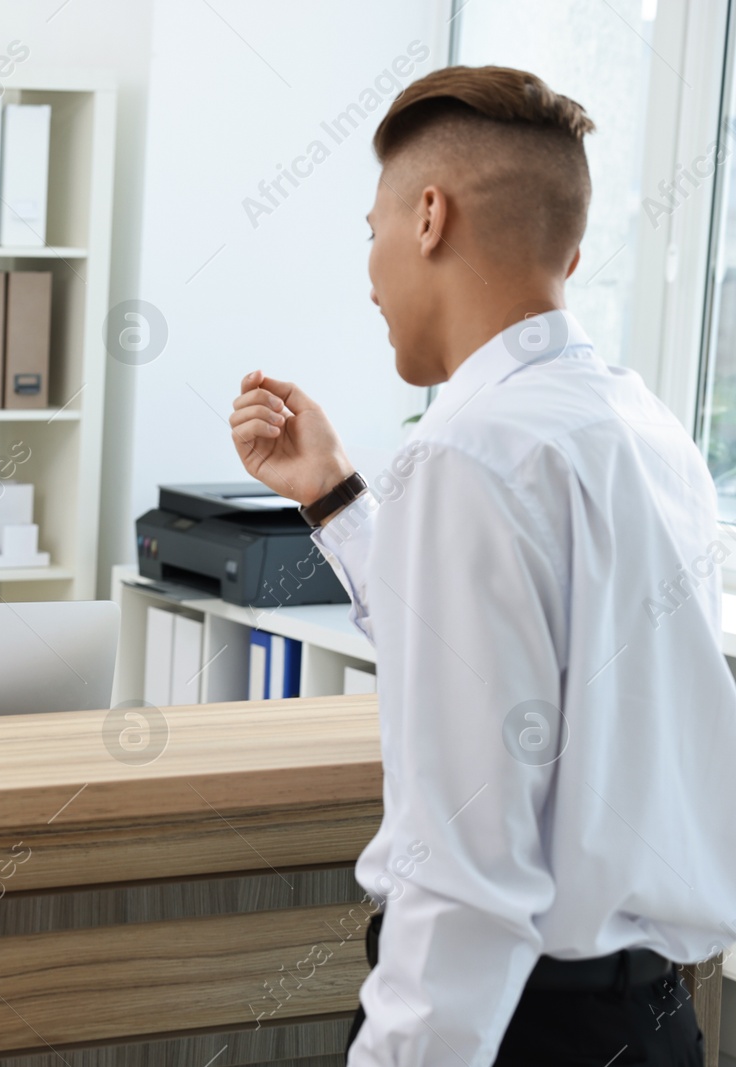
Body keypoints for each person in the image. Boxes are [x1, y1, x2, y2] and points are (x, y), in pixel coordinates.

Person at [230, 65, 736, 1065]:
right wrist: (332, 491)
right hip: (658, 1023)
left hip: (523, 1027)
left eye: (368, 228)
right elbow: (518, 669)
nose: (367, 272)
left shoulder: (469, 453)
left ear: (428, 217)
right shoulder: (640, 427)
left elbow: (464, 875)